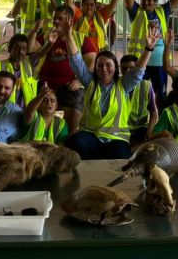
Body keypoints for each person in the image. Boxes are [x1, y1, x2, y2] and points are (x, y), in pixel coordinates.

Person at [63, 19, 158, 160]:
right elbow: (76, 61)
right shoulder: (90, 82)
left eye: (108, 65)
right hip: (91, 134)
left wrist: (148, 48)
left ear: (115, 68)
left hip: (116, 138)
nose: (104, 69)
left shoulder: (124, 84)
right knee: (77, 143)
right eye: (100, 65)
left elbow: (138, 70)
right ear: (95, 67)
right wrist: (68, 35)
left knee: (121, 156)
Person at [31, 6, 84, 132]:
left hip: (69, 86)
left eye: (60, 19)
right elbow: (31, 50)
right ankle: (40, 136)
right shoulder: (46, 35)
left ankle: (71, 137)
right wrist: (35, 32)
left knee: (77, 98)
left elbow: (92, 61)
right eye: (55, 18)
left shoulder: (80, 38)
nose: (56, 22)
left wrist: (80, 81)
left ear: (70, 20)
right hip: (45, 84)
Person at [65, 0, 121, 72]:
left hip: (100, 58)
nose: (89, 7)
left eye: (91, 5)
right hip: (82, 57)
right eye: (86, 4)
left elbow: (112, 5)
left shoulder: (100, 16)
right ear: (81, 6)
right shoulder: (78, 15)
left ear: (95, 6)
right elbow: (70, 3)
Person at [0, 32, 38, 108]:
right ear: (10, 49)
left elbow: (40, 54)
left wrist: (49, 43)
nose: (21, 52)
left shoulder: (27, 65)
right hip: (6, 111)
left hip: (26, 111)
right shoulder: (0, 66)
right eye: (17, 48)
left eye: (24, 49)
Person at [124, 54, 157, 146]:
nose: (127, 71)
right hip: (121, 129)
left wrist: (149, 131)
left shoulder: (146, 85)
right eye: (124, 68)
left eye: (131, 68)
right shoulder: (117, 85)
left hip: (140, 128)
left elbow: (154, 112)